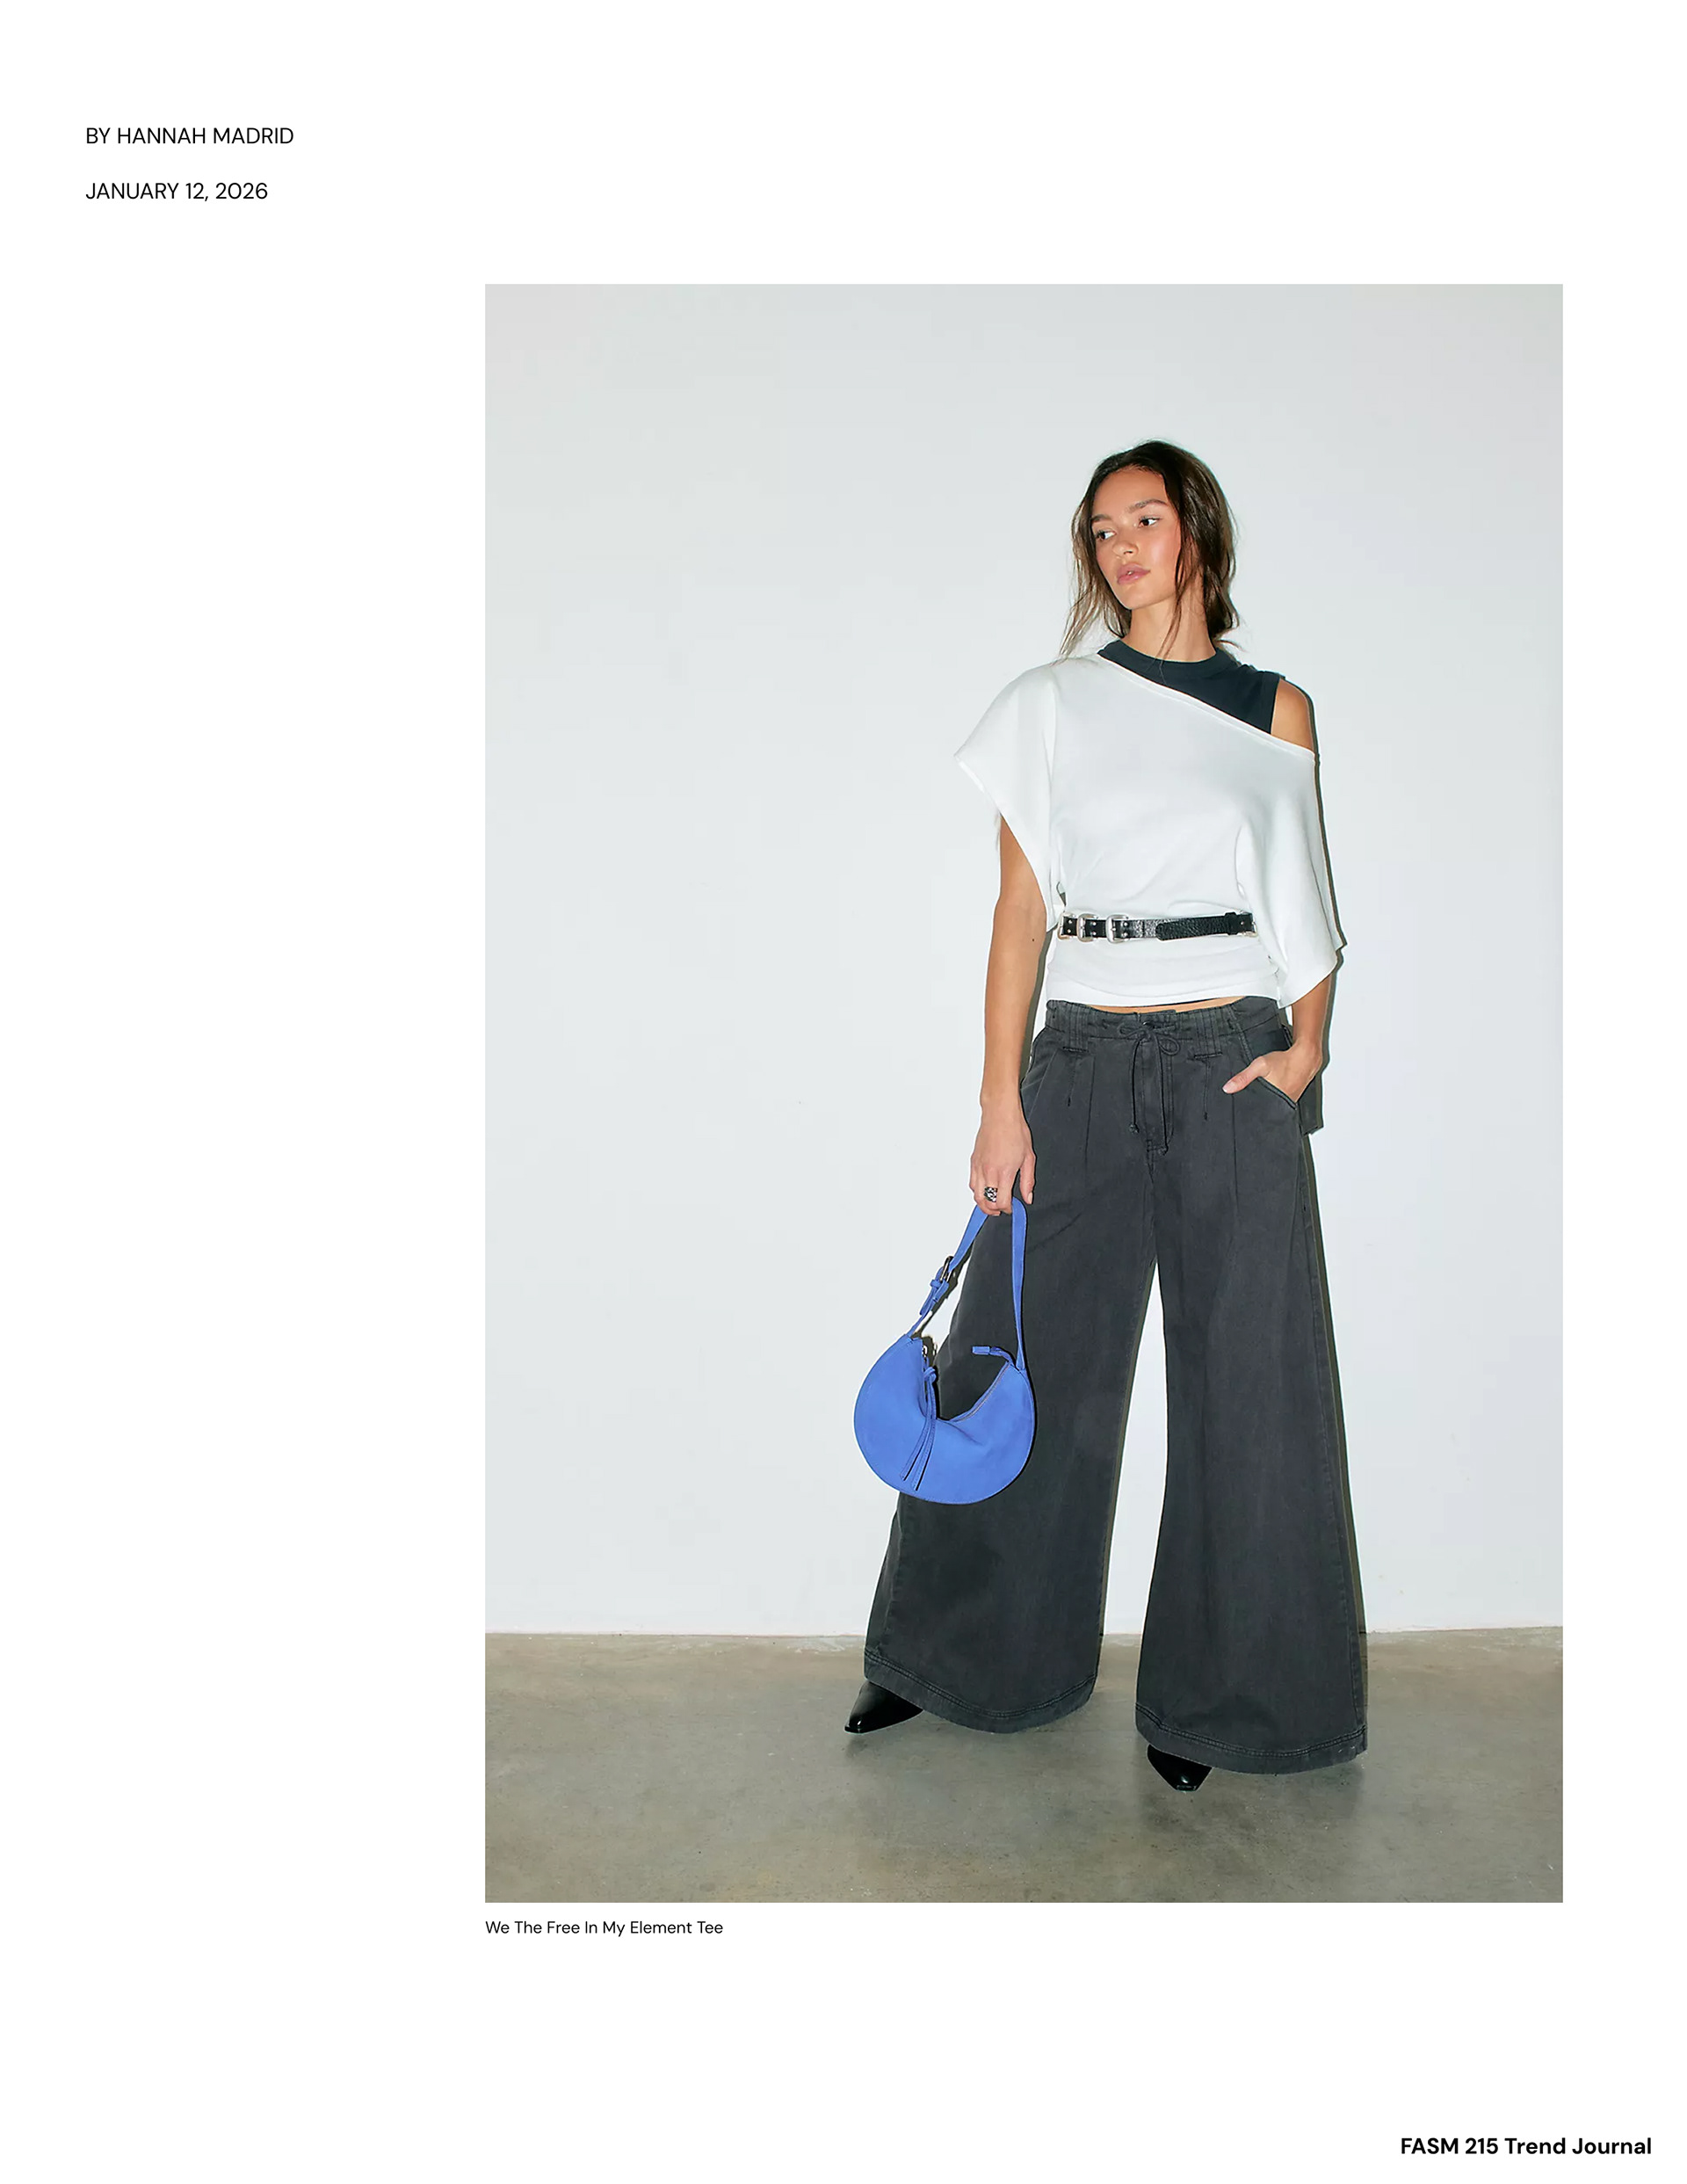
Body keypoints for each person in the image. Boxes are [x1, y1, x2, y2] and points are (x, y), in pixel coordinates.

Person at [846, 440, 1365, 1791]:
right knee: (1020, 1350)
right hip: (1079, 1053)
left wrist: (1307, 1046)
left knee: (1250, 1384)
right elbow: (1019, 911)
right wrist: (998, 1099)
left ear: (1197, 532)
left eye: (1146, 518)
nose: (1123, 546)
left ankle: (1225, 1701)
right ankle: (956, 1656)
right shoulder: (1054, 704)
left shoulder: (1275, 707)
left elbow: (1302, 892)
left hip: (1230, 1054)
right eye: (1101, 529)